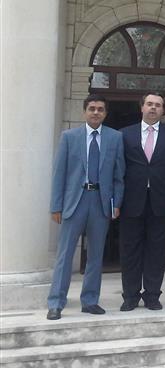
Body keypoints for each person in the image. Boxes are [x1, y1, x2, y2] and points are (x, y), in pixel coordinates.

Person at [46, 94, 125, 320]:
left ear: (105, 113)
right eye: (92, 108)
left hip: (100, 203)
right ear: (85, 112)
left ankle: (90, 301)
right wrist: (56, 206)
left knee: (96, 255)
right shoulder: (69, 137)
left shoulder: (115, 138)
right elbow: (59, 174)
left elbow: (119, 175)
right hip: (74, 202)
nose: (96, 112)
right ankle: (56, 302)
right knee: (65, 254)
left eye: (100, 109)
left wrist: (116, 203)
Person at [119, 92, 165, 311]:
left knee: (157, 251)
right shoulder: (125, 134)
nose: (153, 108)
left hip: (161, 200)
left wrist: (163, 182)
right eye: (149, 104)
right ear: (141, 107)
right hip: (131, 201)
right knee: (130, 250)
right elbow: (119, 166)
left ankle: (152, 295)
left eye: (158, 105)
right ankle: (130, 296)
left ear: (163, 110)